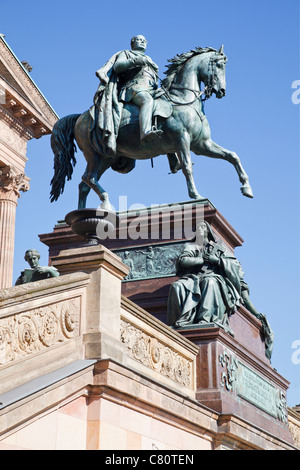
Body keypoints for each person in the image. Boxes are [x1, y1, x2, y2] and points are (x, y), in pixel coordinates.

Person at [91, 35, 162, 156]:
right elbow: (118, 67)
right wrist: (136, 60)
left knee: (168, 109)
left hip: (151, 89)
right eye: (140, 40)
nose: (143, 42)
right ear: (133, 43)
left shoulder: (149, 58)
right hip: (134, 88)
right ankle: (145, 132)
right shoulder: (126, 53)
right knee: (147, 101)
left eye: (145, 41)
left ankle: (172, 156)